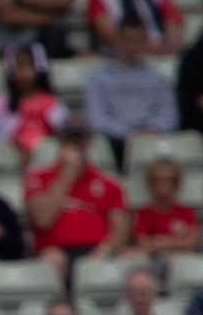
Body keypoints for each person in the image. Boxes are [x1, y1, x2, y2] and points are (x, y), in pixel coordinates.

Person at [25, 116, 130, 277]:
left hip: (97, 249)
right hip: (55, 251)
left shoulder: (108, 183)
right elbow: (42, 219)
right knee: (52, 260)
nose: (75, 142)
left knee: (131, 260)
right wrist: (66, 175)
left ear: (88, 141)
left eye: (79, 137)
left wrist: (104, 251)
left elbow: (120, 229)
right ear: (60, 140)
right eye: (70, 137)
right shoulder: (38, 178)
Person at [86, 18, 180, 164]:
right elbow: (97, 119)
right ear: (118, 40)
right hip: (115, 142)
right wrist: (126, 133)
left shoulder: (159, 78)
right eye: (128, 40)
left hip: (152, 140)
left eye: (139, 40)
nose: (133, 45)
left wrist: (152, 130)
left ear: (145, 41)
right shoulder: (98, 78)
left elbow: (169, 116)